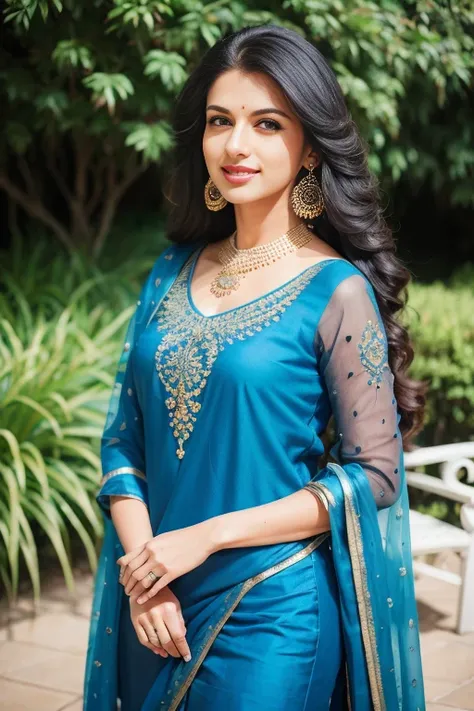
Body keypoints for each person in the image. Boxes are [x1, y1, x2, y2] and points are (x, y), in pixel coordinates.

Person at [83, 24, 427, 711]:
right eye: (220, 121)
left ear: (307, 147)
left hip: (270, 610)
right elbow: (123, 438)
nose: (236, 145)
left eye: (267, 123)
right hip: (155, 606)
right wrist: (148, 574)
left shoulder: (337, 292)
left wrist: (205, 536)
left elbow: (376, 476)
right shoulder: (170, 272)